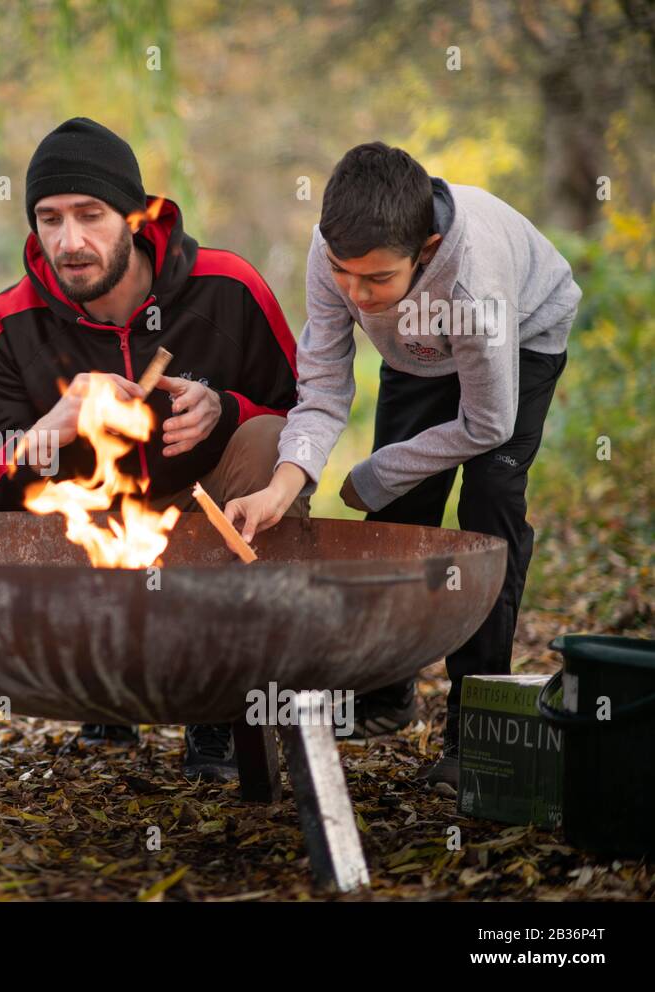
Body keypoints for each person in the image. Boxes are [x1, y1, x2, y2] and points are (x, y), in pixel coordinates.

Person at [0, 117, 307, 782]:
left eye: (90, 215)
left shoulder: (228, 285)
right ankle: (105, 687)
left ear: (135, 216)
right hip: (87, 536)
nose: (69, 241)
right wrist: (49, 428)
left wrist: (229, 408)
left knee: (271, 438)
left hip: (203, 518)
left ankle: (222, 701)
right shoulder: (10, 318)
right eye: (49, 219)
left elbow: (306, 419)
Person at [225, 142, 578, 787]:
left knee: (488, 510)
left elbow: (488, 422)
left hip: (521, 338)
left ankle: (478, 723)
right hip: (418, 353)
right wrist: (284, 483)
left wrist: (377, 471)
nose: (357, 294)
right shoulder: (333, 251)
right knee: (400, 515)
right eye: (343, 272)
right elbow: (326, 385)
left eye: (376, 279)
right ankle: (386, 693)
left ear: (428, 249)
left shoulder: (473, 279)